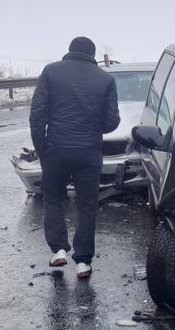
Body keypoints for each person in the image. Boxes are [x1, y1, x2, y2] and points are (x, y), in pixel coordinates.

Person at [29, 36, 120, 279]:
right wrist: (93, 126)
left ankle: (58, 249)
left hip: (55, 149)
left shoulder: (50, 72)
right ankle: (83, 262)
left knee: (53, 198)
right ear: (93, 55)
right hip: (89, 151)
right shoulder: (106, 79)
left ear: (69, 51)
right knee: (87, 205)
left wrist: (42, 148)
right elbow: (111, 122)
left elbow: (37, 114)